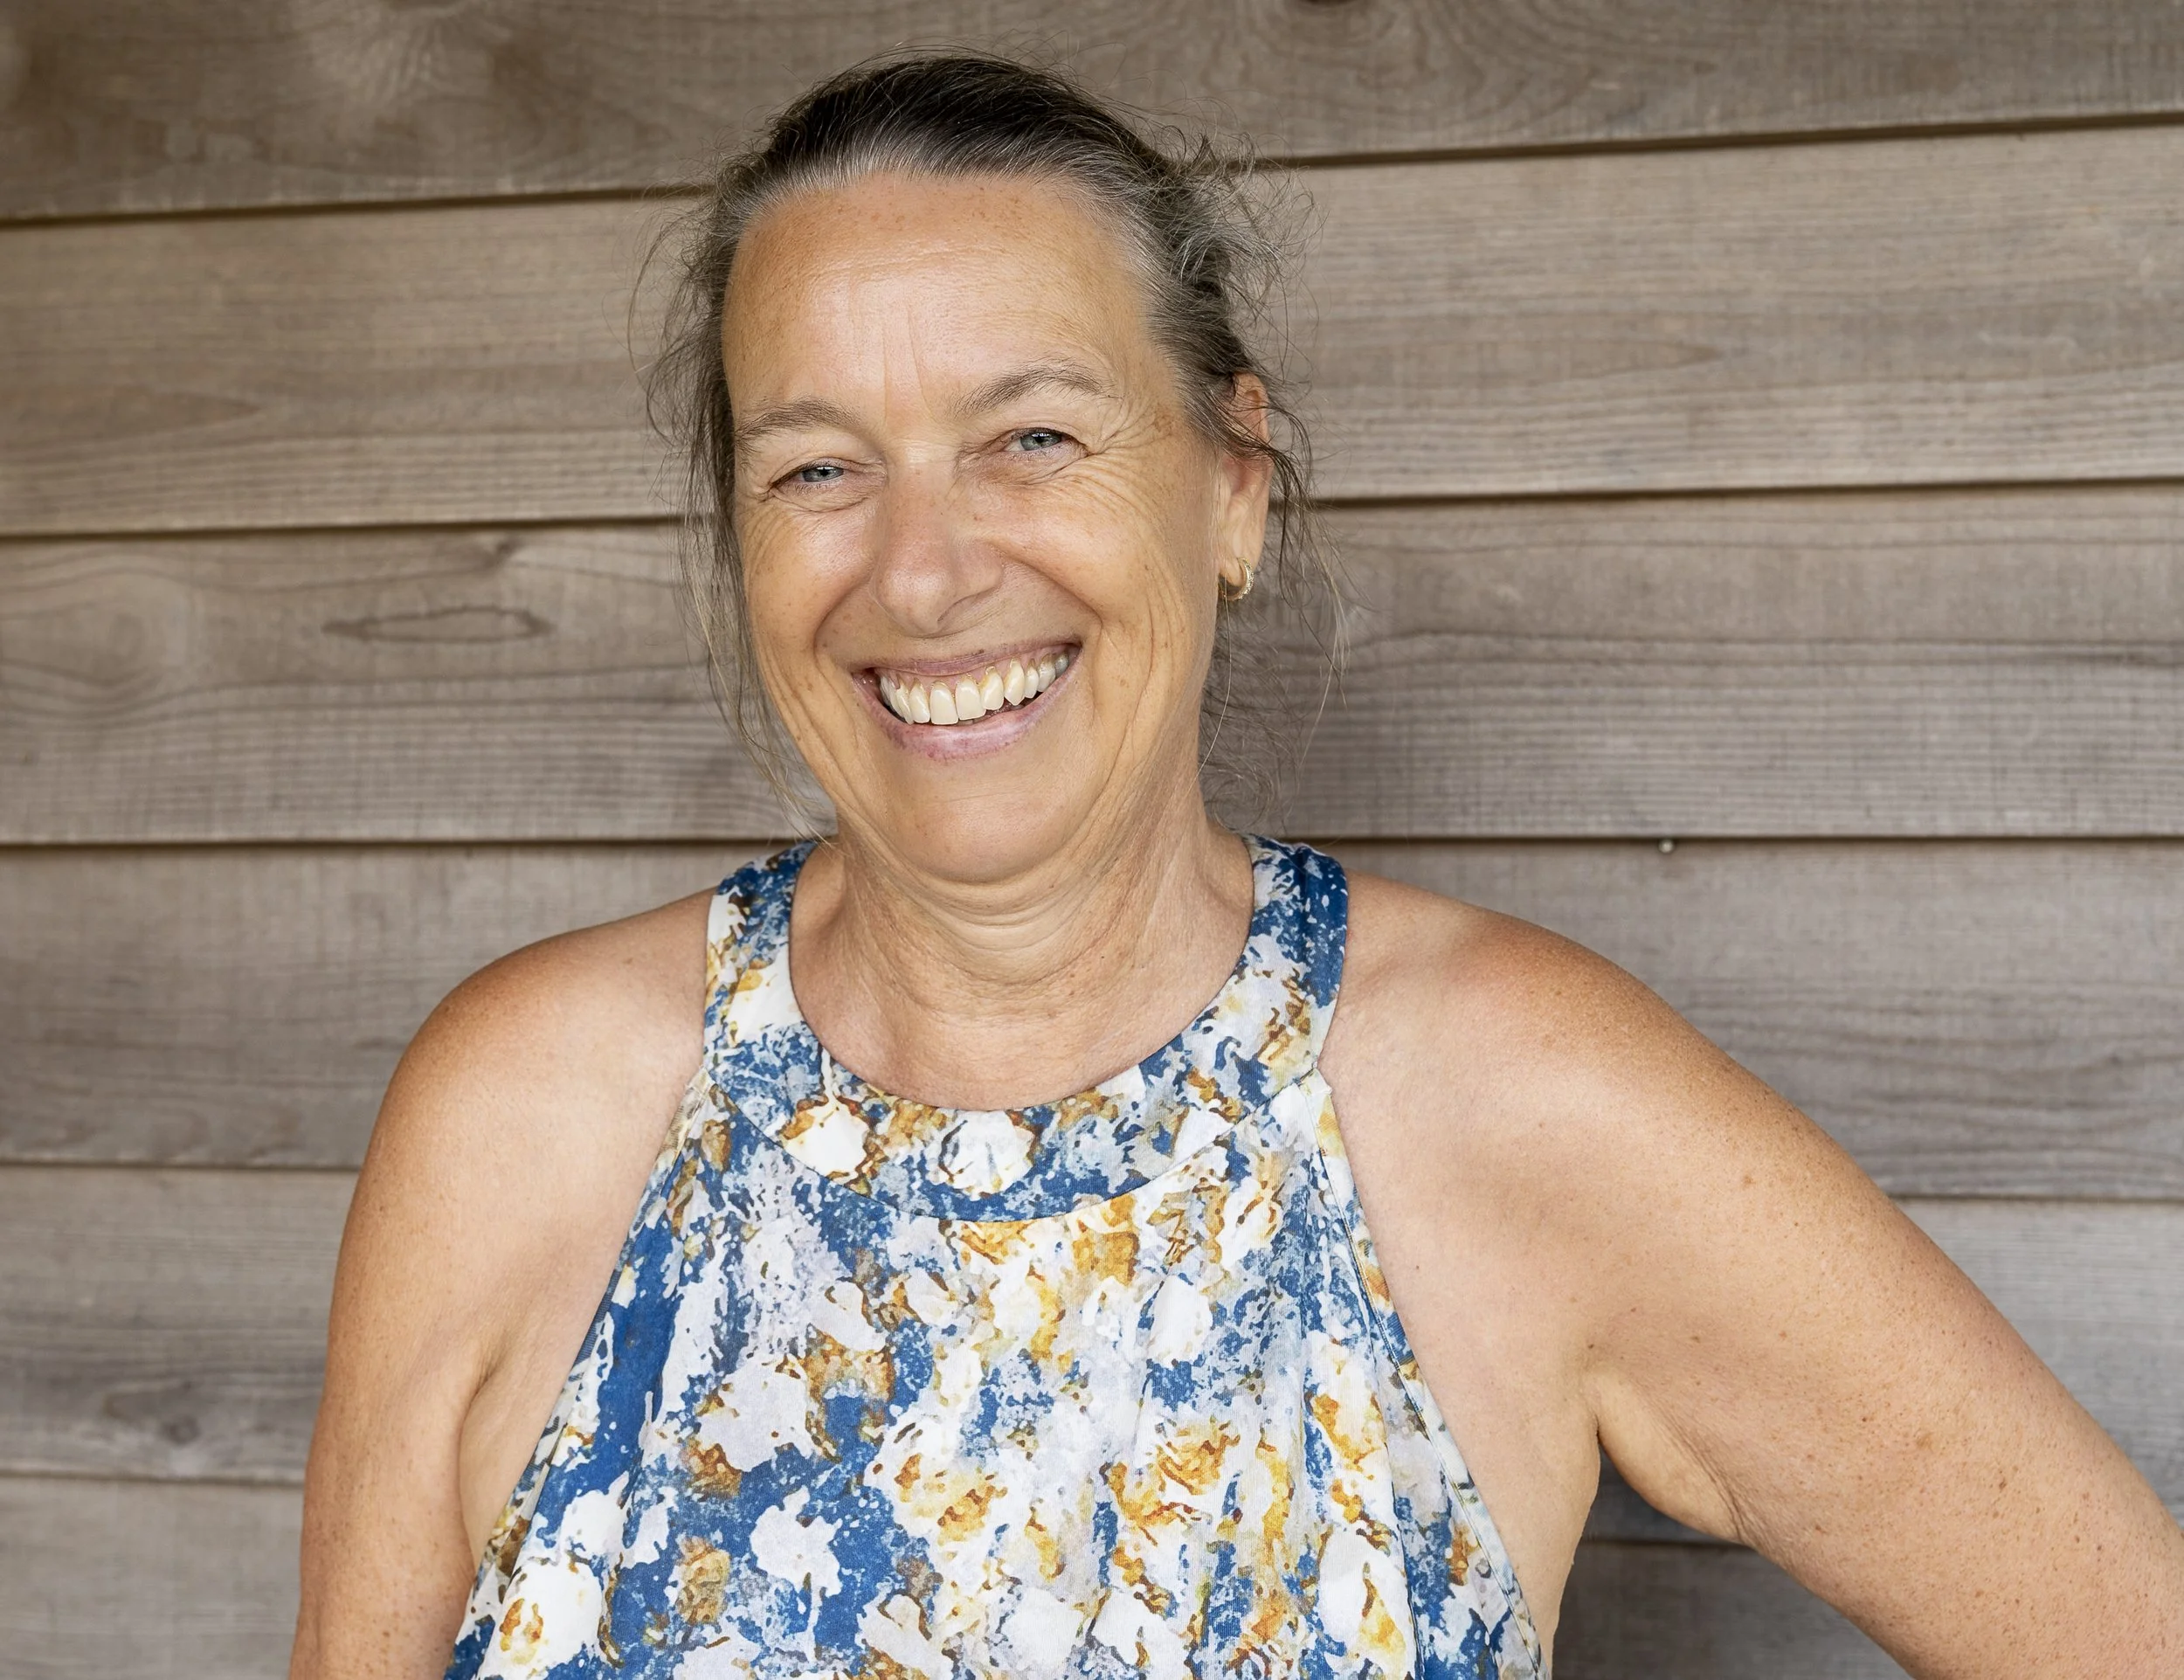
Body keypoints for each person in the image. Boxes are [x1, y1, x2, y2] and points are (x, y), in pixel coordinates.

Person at [290, 53, 2184, 1680]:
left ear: (1231, 488)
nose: (924, 571)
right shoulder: (519, 1111)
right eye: (815, 469)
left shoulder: (1504, 1097)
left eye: (1029, 436)